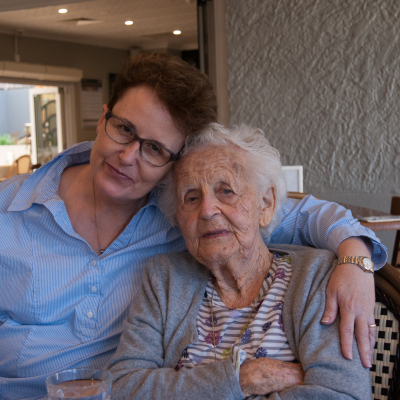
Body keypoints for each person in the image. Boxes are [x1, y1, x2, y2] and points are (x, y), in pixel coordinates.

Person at [0, 53, 383, 400]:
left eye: (154, 149)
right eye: (124, 129)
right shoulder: (9, 211)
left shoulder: (191, 219)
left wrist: (355, 260)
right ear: (102, 119)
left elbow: (308, 214)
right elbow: (128, 385)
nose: (129, 155)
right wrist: (240, 378)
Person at [108, 123, 372, 399]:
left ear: (266, 204)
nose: (207, 210)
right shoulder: (164, 279)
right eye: (192, 197)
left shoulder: (315, 277)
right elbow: (123, 387)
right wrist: (241, 379)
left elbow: (341, 394)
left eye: (226, 191)